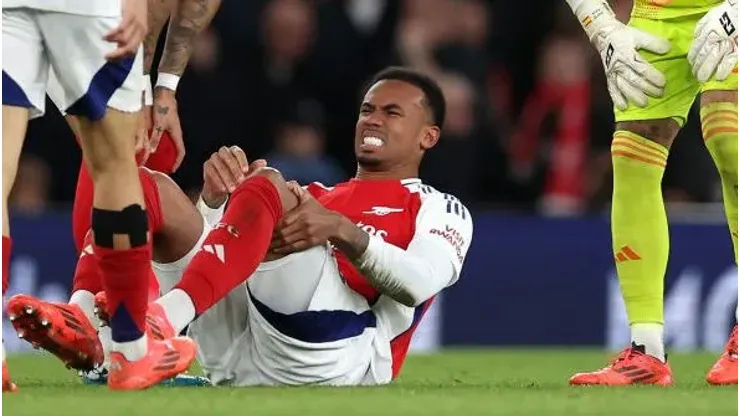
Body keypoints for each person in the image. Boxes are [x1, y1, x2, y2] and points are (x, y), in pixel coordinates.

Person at [11, 67, 474, 386]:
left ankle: (161, 321)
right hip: (238, 349)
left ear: (428, 136)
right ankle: (86, 319)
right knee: (140, 183)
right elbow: (228, 254)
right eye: (367, 109)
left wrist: (341, 231)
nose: (372, 119)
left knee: (269, 184)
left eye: (391, 113)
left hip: (335, 362)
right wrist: (213, 204)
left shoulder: (438, 207)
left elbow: (419, 282)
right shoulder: (319, 192)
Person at [565, 0, 737, 386]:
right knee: (631, 155)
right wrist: (602, 27)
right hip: (657, 13)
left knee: (729, 137)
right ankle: (646, 352)